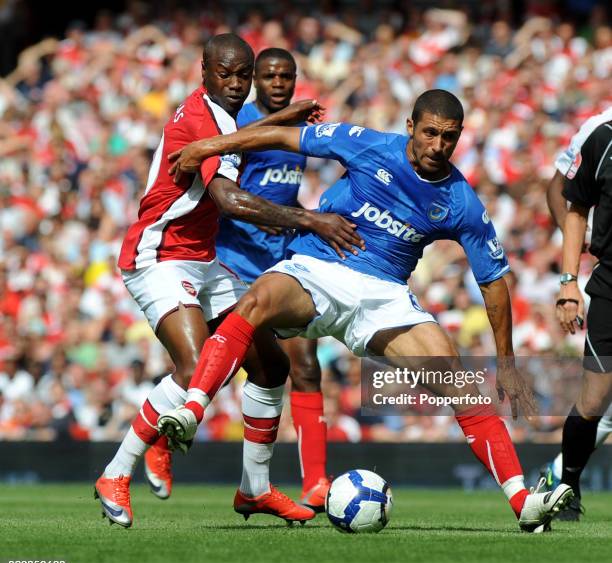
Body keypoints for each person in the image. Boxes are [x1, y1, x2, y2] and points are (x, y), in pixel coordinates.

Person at [160, 89, 574, 532]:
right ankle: (192, 410)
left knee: (458, 380)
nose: (437, 146)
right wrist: (209, 146)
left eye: (448, 138)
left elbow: (492, 283)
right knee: (256, 301)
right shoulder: (368, 143)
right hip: (317, 268)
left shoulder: (461, 201)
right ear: (411, 127)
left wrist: (507, 364)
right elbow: (285, 137)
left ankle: (523, 501)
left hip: (384, 296)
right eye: (430, 133)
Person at [94, 33, 363, 528]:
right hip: (159, 256)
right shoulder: (205, 118)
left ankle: (254, 490)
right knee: (198, 369)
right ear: (205, 72)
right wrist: (312, 221)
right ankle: (115, 473)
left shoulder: (224, 117)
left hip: (203, 258)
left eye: (243, 75)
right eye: (228, 74)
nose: (237, 84)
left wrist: (284, 117)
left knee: (270, 366)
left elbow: (243, 136)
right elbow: (231, 202)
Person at [215, 47, 330, 511]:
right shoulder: (241, 123)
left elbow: (285, 188)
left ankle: (316, 482)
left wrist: (301, 217)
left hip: (280, 264)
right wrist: (261, 212)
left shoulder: (298, 130)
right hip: (233, 263)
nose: (280, 83)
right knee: (217, 368)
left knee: (305, 365)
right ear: (256, 80)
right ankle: (161, 436)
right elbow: (222, 174)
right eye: (270, 76)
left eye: (287, 76)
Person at [543, 107, 612, 520]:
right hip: (610, 282)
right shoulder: (601, 135)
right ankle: (565, 483)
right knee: (595, 399)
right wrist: (569, 283)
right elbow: (570, 202)